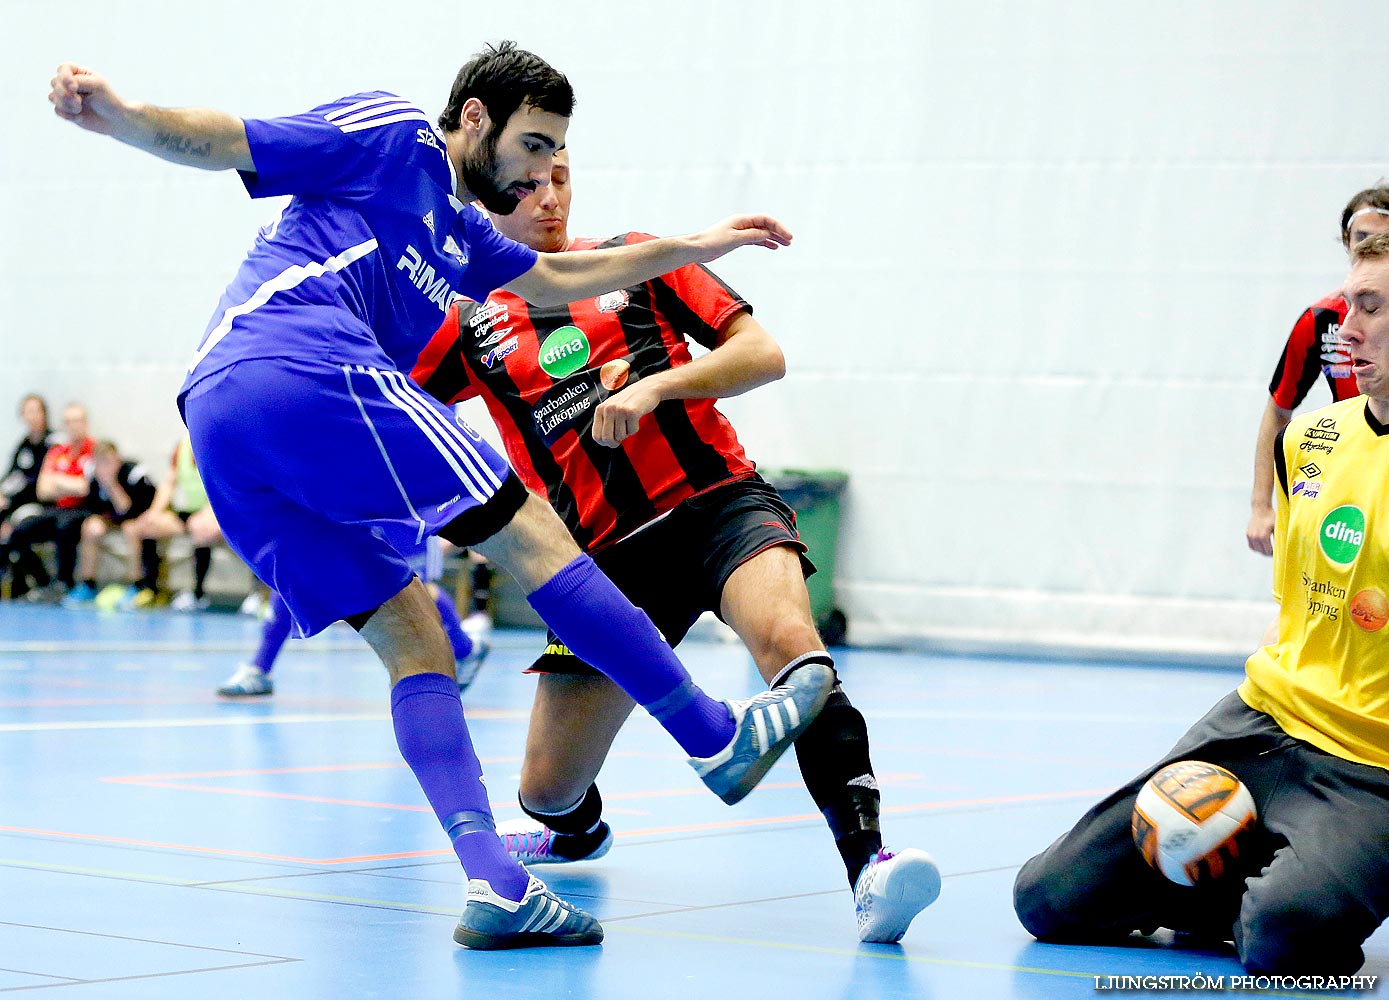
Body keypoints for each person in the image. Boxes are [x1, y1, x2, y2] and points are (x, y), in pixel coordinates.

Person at [48, 42, 832, 950]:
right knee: (534, 532)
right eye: (532, 145)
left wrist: (698, 244)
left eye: (554, 154)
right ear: (473, 121)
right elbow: (237, 139)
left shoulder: (457, 237)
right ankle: (709, 735)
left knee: (410, 633)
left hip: (229, 428)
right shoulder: (392, 136)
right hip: (297, 359)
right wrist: (124, 117)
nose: (544, 172)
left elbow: (558, 277)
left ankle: (497, 886)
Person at [411, 149, 941, 944]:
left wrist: (657, 385)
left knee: (793, 648)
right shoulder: (469, 321)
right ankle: (576, 830)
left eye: (558, 178)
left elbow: (761, 354)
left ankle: (869, 867)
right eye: (524, 187)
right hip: (602, 568)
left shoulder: (640, 260)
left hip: (716, 505)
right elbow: (390, 391)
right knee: (546, 790)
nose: (547, 197)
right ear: (484, 202)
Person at [1014, 233, 1389, 975]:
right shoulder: (1312, 437)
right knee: (1046, 901)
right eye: (1348, 303)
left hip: (1372, 765)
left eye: (1370, 307)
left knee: (1287, 944)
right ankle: (1256, 872)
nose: (1344, 328)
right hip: (1258, 722)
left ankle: (1281, 886)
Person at [1245, 186, 1389, 555]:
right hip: (1350, 475)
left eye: (1382, 239)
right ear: (1346, 243)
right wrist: (1261, 505)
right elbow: (1278, 410)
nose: (1350, 332)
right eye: (1361, 239)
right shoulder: (1322, 320)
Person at [217, 536, 491, 697]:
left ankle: (464, 650)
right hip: (338, 496)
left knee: (413, 586)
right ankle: (260, 667)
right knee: (294, 570)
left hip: (392, 500)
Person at [123, 431, 225, 611]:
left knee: (200, 528)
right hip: (188, 511)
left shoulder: (218, 445)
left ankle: (198, 594)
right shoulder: (182, 447)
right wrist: (155, 511)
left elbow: (223, 484)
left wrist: (209, 512)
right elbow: (169, 482)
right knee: (148, 526)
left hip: (216, 511)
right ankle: (151, 588)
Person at [4, 402, 96, 600]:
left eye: (77, 421)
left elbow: (86, 488)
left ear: (85, 423)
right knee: (20, 530)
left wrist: (58, 480)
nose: (73, 426)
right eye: (69, 422)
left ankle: (65, 582)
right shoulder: (57, 451)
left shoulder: (93, 450)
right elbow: (43, 490)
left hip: (84, 510)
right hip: (57, 508)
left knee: (66, 526)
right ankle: (42, 580)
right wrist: (70, 483)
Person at [65, 441, 158, 603]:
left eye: (109, 461)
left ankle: (137, 584)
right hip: (111, 519)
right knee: (91, 526)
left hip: (137, 516)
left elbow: (127, 510)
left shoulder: (131, 473)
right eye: (100, 462)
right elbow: (93, 508)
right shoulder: (93, 475)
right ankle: (87, 584)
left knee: (131, 529)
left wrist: (111, 484)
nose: (105, 467)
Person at [0, 395, 55, 597]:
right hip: (17, 504)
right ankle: (16, 584)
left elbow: (37, 483)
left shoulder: (53, 443)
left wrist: (10, 503)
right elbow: (12, 475)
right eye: (27, 412)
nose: (31, 416)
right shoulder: (23, 445)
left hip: (43, 504)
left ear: (44, 414)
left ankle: (43, 582)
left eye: (36, 411)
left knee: (15, 529)